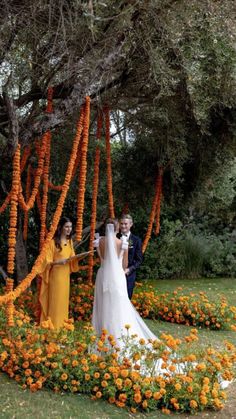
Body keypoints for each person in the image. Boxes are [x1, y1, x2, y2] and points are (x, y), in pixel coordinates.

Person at [92, 219, 156, 346]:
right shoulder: (122, 243)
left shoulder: (99, 242)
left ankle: (101, 335)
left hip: (102, 276)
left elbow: (101, 260)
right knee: (118, 305)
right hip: (117, 278)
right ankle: (118, 334)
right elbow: (124, 264)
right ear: (117, 229)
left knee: (103, 304)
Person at [39, 217, 80, 330]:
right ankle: (52, 332)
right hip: (55, 278)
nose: (69, 229)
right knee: (55, 304)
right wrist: (58, 262)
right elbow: (47, 262)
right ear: (61, 227)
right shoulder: (52, 243)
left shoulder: (70, 242)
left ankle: (62, 332)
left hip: (65, 277)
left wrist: (78, 257)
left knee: (63, 304)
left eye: (70, 227)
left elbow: (72, 259)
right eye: (66, 226)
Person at [118, 214, 143, 299]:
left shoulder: (136, 240)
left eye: (125, 224)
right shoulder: (115, 238)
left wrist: (129, 269)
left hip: (129, 275)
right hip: (115, 273)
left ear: (131, 224)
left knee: (127, 298)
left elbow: (139, 260)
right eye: (121, 224)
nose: (123, 226)